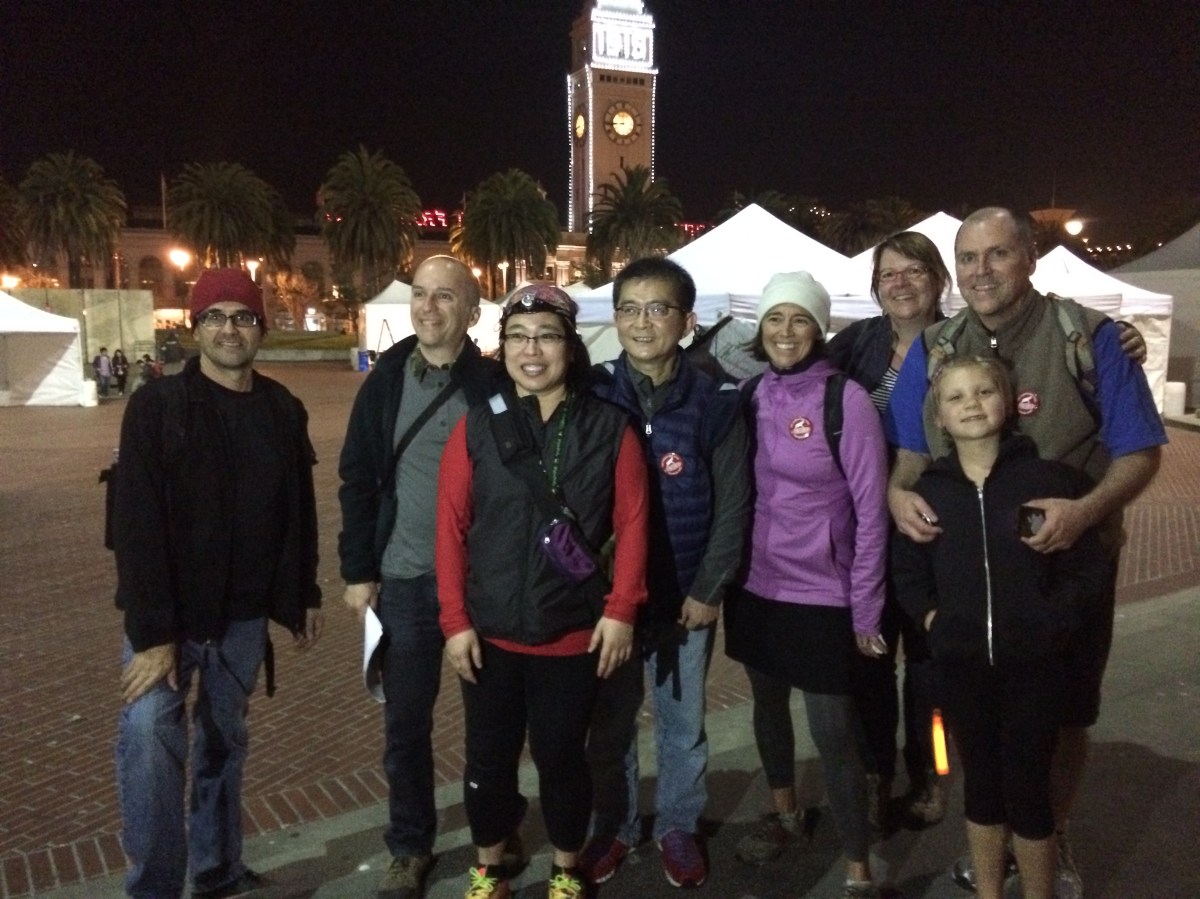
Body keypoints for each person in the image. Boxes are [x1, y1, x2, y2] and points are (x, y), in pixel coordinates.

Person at [885, 207, 1166, 897]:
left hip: (1067, 566)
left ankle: (1049, 832)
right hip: (972, 581)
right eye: (968, 258)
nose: (980, 271)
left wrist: (1087, 512)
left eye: (998, 254)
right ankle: (996, 840)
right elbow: (912, 451)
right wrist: (896, 494)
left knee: (1065, 715)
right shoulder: (935, 348)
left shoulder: (1088, 336)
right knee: (979, 726)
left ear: (1030, 258)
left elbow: (1140, 451)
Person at [112, 267, 324, 898]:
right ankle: (155, 888)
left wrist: (303, 593)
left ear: (260, 327)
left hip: (243, 618)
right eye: (215, 317)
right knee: (150, 741)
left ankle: (218, 870)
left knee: (225, 743)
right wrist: (154, 635)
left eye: (243, 317)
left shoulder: (282, 409)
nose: (230, 329)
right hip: (167, 621)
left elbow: (299, 509)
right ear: (196, 327)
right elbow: (136, 523)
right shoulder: (158, 406)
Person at [436, 283, 650, 899]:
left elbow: (635, 524)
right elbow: (450, 528)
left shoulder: (610, 428)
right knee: (487, 762)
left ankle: (564, 869)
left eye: (547, 337)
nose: (532, 351)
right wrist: (454, 621)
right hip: (490, 636)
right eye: (518, 337)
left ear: (570, 347)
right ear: (501, 346)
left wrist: (621, 611)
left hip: (572, 633)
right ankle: (488, 870)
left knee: (562, 759)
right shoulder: (477, 426)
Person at [892, 356, 1109, 899]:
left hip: (1035, 668)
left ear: (1008, 403)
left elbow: (1087, 565)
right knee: (982, 790)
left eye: (984, 391)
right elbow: (909, 571)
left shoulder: (1048, 482)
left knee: (1031, 792)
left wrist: (1052, 620)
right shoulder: (931, 494)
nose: (971, 403)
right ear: (939, 418)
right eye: (956, 396)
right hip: (963, 667)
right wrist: (934, 620)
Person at [579, 257, 751, 889]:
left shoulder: (716, 400)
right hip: (610, 603)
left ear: (687, 320)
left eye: (658, 309)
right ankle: (616, 826)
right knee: (611, 726)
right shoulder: (593, 390)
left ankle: (678, 825)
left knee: (682, 725)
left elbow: (734, 503)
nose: (642, 322)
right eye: (628, 309)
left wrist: (709, 589)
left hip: (684, 597)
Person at [338, 255, 505, 899]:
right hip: (405, 581)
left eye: (445, 297)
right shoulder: (385, 381)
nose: (429, 308)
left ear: (472, 311)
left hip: (477, 587)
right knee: (406, 728)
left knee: (490, 725)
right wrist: (358, 570)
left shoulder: (491, 384)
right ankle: (410, 846)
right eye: (421, 296)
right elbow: (358, 476)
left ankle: (495, 828)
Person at [724, 271, 891, 899]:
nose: (785, 331)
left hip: (823, 592)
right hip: (755, 586)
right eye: (775, 318)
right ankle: (786, 813)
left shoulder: (845, 400)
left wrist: (866, 610)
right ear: (760, 327)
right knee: (767, 706)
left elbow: (872, 513)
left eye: (800, 319)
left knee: (833, 733)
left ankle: (858, 867)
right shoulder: (748, 393)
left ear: (819, 329)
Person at [827, 231, 951, 832]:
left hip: (938, 529)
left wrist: (1118, 334)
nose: (900, 284)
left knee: (930, 665)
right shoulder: (858, 343)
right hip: (868, 529)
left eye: (914, 271)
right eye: (888, 275)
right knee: (870, 659)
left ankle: (929, 774)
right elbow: (792, 367)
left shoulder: (963, 339)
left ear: (939, 279)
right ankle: (877, 773)